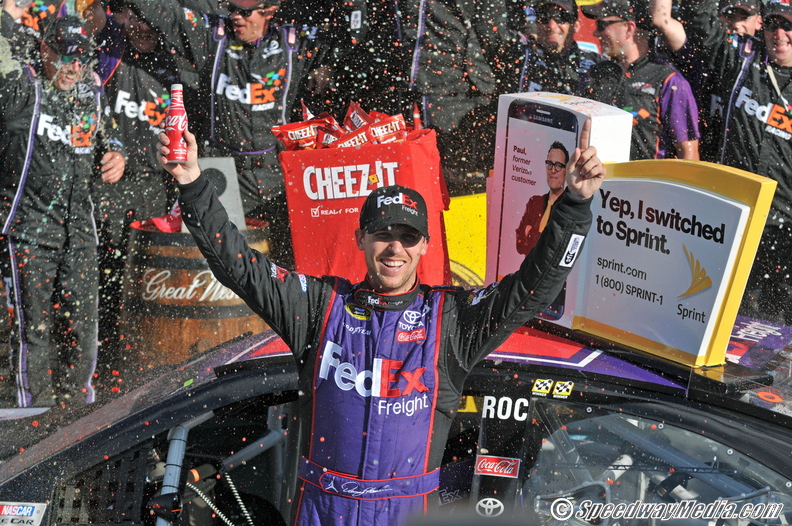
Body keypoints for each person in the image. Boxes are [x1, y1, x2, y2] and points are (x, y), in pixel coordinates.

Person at [157, 118, 603, 524]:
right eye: (382, 234)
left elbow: (533, 288)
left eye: (408, 236)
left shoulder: (450, 319)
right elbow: (240, 266)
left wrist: (575, 206)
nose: (395, 248)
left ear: (425, 245)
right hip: (322, 511)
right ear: (360, 239)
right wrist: (192, 182)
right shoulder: (320, 305)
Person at [124, 0, 330, 266]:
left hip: (275, 174)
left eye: (244, 12)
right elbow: (166, 14)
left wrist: (328, 66)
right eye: (231, 8)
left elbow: (348, 40)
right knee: (220, 261)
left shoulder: (293, 42)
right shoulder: (214, 36)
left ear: (269, 11)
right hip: (224, 171)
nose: (235, 17)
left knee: (282, 262)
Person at [0, 16, 125, 408]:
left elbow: (109, 131)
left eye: (82, 58)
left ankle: (78, 408)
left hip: (79, 232)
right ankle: (31, 412)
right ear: (44, 50)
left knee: (84, 326)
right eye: (66, 57)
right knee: (31, 330)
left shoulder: (90, 89)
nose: (74, 67)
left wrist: (117, 151)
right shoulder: (22, 87)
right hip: (28, 230)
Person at [650, 0, 792, 324]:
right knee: (728, 310)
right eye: (773, 25)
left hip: (784, 225)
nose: (779, 34)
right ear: (763, 27)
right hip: (735, 211)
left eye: (788, 26)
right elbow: (702, 21)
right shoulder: (742, 58)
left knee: (780, 318)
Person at [92, 3, 180, 360]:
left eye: (150, 21)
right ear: (124, 16)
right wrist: (110, 149)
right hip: (110, 182)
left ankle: (140, 353)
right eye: (136, 19)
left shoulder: (179, 60)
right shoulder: (109, 52)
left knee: (145, 275)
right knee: (106, 275)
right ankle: (104, 355)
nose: (143, 28)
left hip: (157, 185)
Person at [578, 0, 701, 160]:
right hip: (599, 175)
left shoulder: (668, 79)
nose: (596, 33)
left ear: (629, 28)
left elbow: (688, 151)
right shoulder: (595, 73)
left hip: (646, 175)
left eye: (602, 25)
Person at [652, 0, 762, 161]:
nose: (736, 24)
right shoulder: (705, 52)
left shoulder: (766, 66)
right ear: (718, 18)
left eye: (743, 17)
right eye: (730, 16)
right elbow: (662, 21)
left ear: (759, 22)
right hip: (699, 152)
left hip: (741, 162)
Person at [514, 0, 603, 95]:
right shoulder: (520, 57)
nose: (551, 26)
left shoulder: (596, 64)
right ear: (536, 23)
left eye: (560, 17)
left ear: (576, 26)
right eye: (544, 18)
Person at [516, 141, 569, 255]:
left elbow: (555, 251)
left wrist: (530, 233)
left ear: (567, 171)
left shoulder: (568, 208)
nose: (553, 170)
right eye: (550, 164)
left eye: (558, 165)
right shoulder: (534, 202)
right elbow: (519, 246)